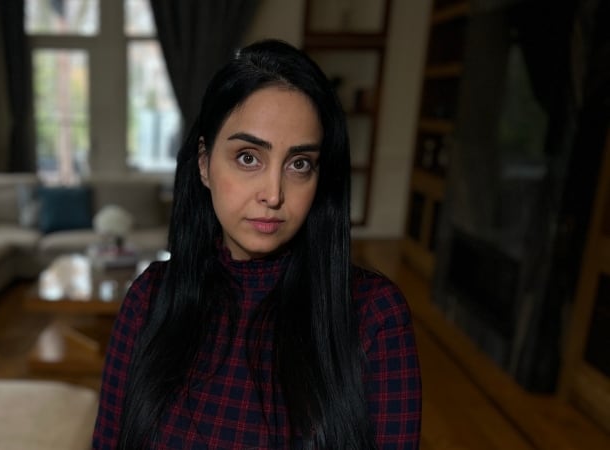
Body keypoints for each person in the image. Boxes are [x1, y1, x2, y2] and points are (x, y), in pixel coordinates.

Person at [92, 39, 421, 449]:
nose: (273, 194)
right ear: (203, 163)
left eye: (300, 164)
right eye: (248, 157)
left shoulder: (374, 316)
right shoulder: (149, 300)